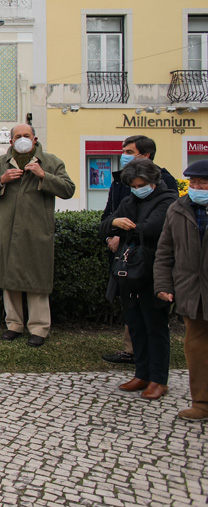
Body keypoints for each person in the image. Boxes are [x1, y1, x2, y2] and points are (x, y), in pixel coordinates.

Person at [0, 123, 76, 347]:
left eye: (27, 136)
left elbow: (68, 189)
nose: (23, 139)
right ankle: (13, 325)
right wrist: (1, 181)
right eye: (18, 136)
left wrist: (44, 176)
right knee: (9, 279)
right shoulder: (0, 163)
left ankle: (39, 328)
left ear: (34, 139)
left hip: (36, 231)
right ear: (12, 141)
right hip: (7, 229)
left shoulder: (51, 162)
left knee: (37, 280)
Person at [99, 159, 177, 400]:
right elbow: (104, 227)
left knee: (155, 327)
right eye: (133, 185)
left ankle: (158, 379)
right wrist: (114, 222)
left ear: (153, 183)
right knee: (136, 326)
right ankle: (141, 373)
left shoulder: (167, 200)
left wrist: (121, 228)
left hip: (154, 272)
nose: (136, 188)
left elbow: (151, 229)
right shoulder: (129, 199)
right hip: (129, 271)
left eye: (141, 184)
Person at [155, 159, 208, 420]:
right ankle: (202, 402)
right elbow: (165, 251)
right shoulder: (178, 208)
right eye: (194, 182)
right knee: (196, 348)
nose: (197, 187)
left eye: (203, 183)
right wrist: (164, 285)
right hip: (192, 290)